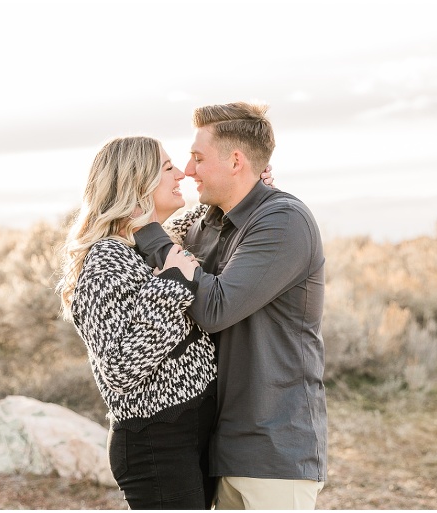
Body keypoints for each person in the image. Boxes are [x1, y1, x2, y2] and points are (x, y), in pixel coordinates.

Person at [56, 136, 273, 509]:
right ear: (137, 182)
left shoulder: (147, 245)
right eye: (168, 168)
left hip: (188, 432)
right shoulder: (106, 259)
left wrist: (248, 188)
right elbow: (119, 369)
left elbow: (203, 222)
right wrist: (172, 286)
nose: (183, 175)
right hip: (155, 444)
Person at [133, 102, 327, 510]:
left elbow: (214, 307)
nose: (188, 170)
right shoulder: (207, 223)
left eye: (198, 158)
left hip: (274, 450)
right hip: (218, 448)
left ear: (236, 160)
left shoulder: (283, 220)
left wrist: (148, 229)